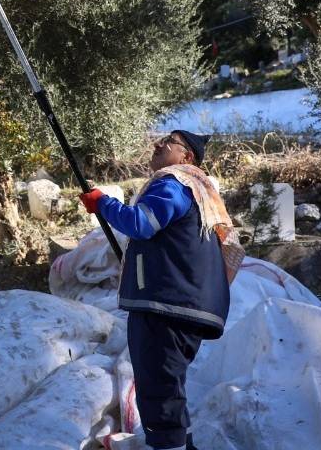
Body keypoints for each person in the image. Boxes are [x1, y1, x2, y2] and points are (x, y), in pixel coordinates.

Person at [79, 130, 239, 450]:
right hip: (188, 306)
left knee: (158, 391)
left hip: (166, 304)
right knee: (169, 387)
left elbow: (142, 223)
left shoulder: (175, 181)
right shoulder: (200, 193)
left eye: (168, 142)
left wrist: (103, 203)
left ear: (186, 157)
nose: (158, 144)